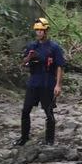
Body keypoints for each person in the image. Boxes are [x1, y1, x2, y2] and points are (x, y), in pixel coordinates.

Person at [16, 17, 66, 146]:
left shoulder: (54, 48)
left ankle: (49, 141)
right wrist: (29, 57)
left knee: (48, 112)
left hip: (48, 82)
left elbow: (60, 66)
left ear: (46, 31)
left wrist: (58, 85)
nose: (38, 32)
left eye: (41, 30)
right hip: (34, 81)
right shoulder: (32, 46)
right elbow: (23, 62)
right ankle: (24, 138)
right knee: (25, 110)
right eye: (37, 30)